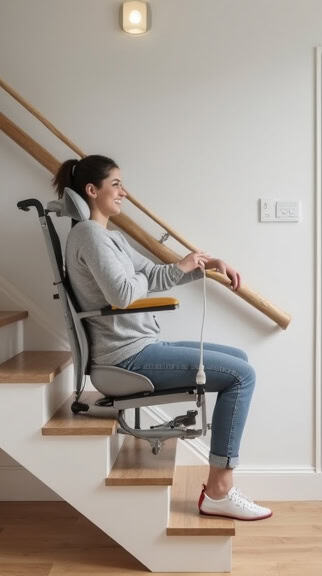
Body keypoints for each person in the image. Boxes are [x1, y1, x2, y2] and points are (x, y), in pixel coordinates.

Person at [53, 154, 271, 522]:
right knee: (241, 376)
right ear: (92, 191)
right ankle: (219, 490)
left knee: (239, 359)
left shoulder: (109, 237)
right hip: (125, 358)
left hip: (142, 346)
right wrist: (181, 267)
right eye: (116, 184)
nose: (124, 192)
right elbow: (122, 294)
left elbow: (153, 275)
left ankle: (220, 479)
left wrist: (208, 264)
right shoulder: (88, 235)